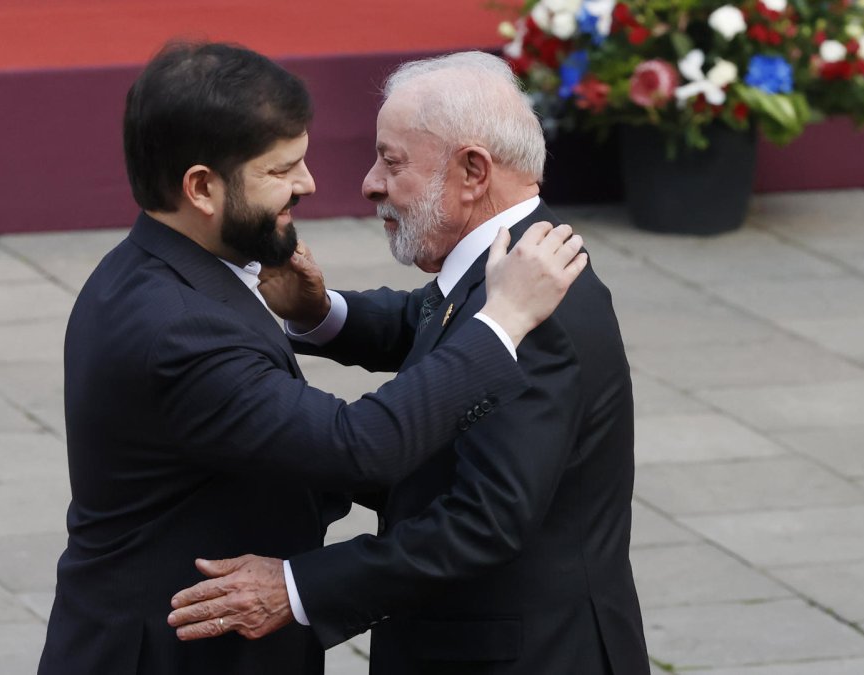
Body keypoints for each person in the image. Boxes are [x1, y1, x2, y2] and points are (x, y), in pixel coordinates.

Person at [37, 42, 589, 674]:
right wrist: (503, 321)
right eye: (280, 171)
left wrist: (318, 312)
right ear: (201, 188)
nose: (308, 184)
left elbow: (411, 337)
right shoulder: (177, 328)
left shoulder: (160, 272)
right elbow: (356, 446)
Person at [168, 51, 650, 674]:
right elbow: (426, 320)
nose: (370, 183)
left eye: (391, 162)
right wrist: (319, 310)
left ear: (472, 170)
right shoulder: (506, 264)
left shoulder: (535, 306)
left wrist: (294, 589)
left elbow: (483, 521)